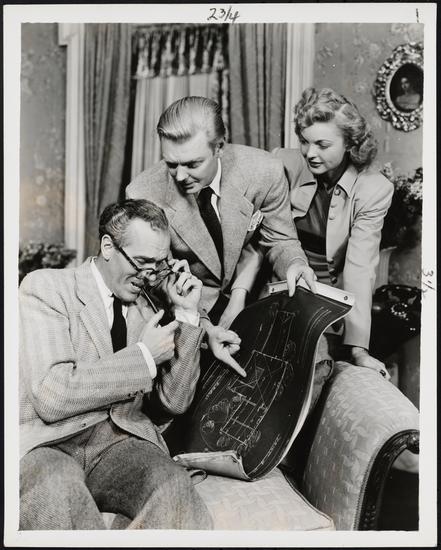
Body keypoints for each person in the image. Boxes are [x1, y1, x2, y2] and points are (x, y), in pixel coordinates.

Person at [19, 199, 213, 530]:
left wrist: (186, 313)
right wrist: (144, 357)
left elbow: (175, 402)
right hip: (49, 442)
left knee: (174, 488)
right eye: (142, 262)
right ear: (108, 246)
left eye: (158, 265)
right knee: (57, 489)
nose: (149, 276)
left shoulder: (150, 308)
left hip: (119, 442)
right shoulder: (47, 288)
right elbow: (52, 394)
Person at [126, 96, 316, 373]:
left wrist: (294, 263)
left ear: (219, 148)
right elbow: (160, 279)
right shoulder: (143, 193)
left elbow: (281, 240)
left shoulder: (265, 171)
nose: (180, 176)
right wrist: (205, 328)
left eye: (193, 164)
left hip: (257, 294)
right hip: (193, 305)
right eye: (171, 164)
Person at [272, 88, 394, 374]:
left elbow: (360, 268)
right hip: (276, 291)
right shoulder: (282, 162)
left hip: (325, 307)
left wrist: (358, 351)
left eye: (322, 144)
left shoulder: (374, 189)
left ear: (349, 143)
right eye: (304, 141)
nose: (310, 153)